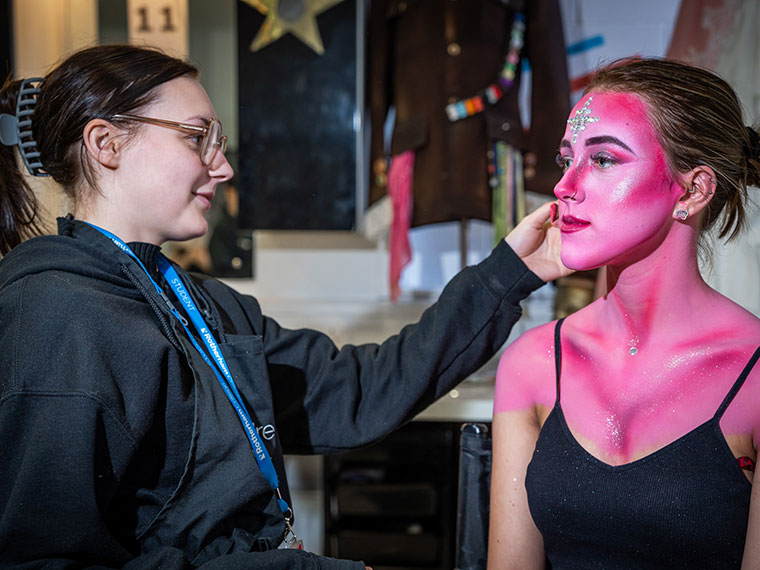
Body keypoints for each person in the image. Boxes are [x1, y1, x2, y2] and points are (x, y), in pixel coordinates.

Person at [0, 44, 567, 569]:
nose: (221, 167)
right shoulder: (54, 315)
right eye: (196, 137)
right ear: (106, 144)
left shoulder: (201, 305)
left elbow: (355, 393)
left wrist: (509, 273)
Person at [488, 57, 760, 569]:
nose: (565, 186)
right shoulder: (534, 363)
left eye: (605, 160)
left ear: (693, 189)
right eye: (566, 159)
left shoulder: (755, 373)